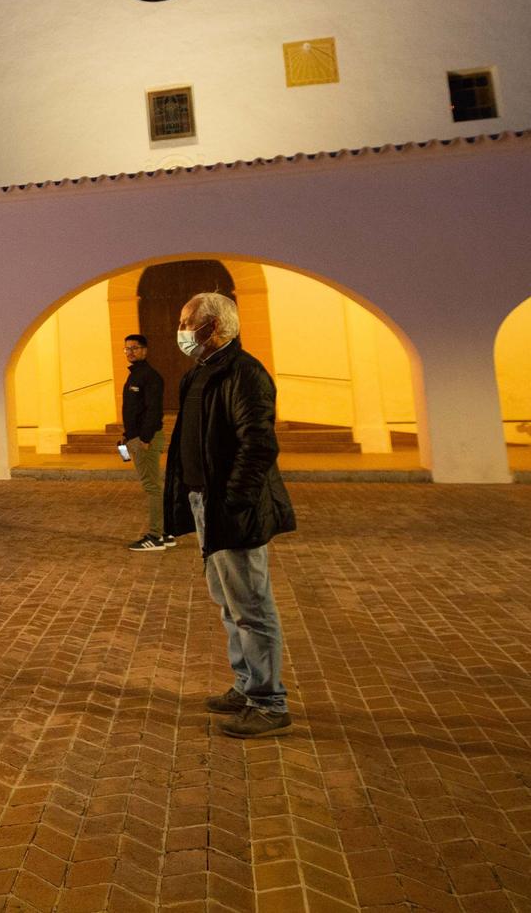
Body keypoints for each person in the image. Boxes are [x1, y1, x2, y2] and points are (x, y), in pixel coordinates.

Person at [162, 292, 298, 738]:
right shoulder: (199, 373)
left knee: (251, 605)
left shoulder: (245, 374)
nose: (182, 329)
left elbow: (258, 445)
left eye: (188, 321)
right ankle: (246, 684)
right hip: (205, 504)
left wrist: (234, 500)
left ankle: (268, 702)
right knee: (227, 602)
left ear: (215, 327)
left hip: (231, 507)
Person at [119, 332, 173, 552]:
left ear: (144, 350)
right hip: (135, 437)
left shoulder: (150, 376)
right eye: (127, 349)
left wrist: (145, 438)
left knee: (152, 487)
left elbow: (153, 410)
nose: (130, 352)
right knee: (154, 486)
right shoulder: (135, 375)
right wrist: (128, 435)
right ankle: (167, 533)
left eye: (135, 348)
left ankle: (155, 536)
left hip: (144, 439)